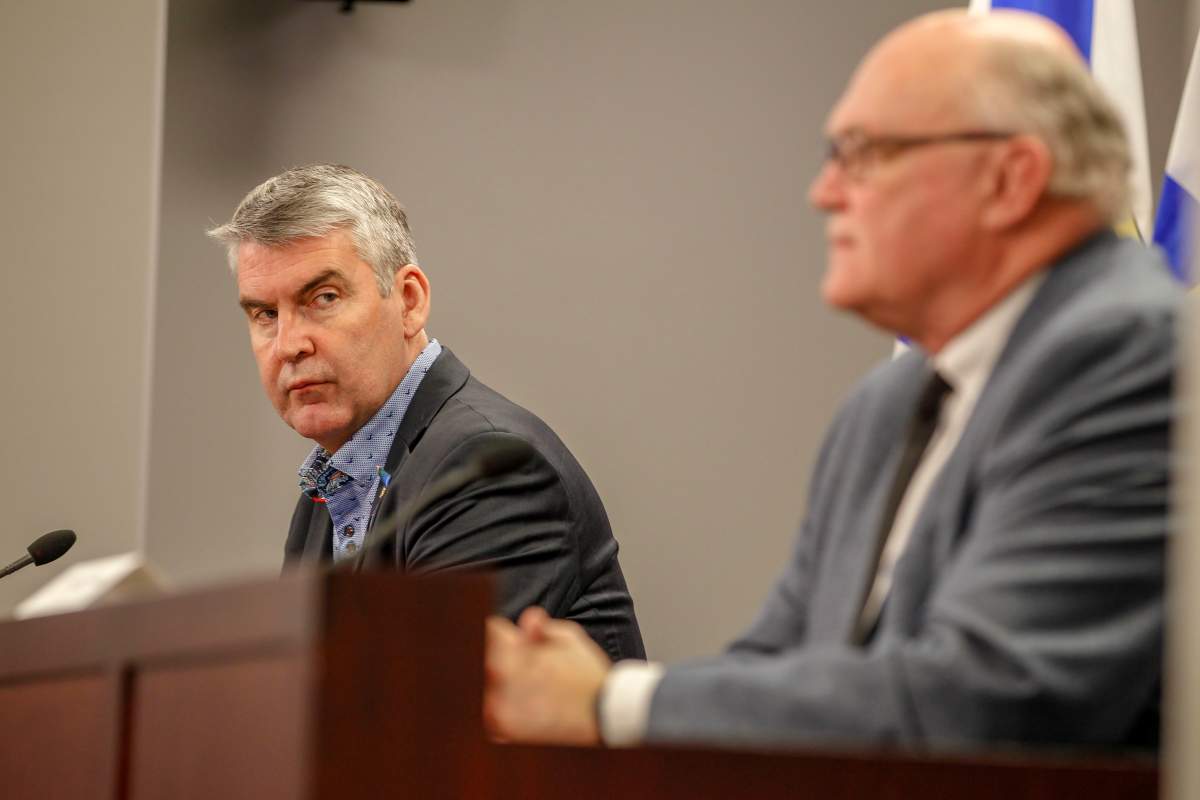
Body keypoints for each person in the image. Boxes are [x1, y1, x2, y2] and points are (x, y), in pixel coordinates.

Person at [485, 9, 1176, 749]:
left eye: (863, 153)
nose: (824, 192)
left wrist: (612, 704)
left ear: (1010, 179)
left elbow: (995, 697)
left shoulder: (1135, 355)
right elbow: (776, 664)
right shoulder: (888, 404)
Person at [208, 164, 644, 661]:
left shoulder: (489, 468)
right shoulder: (330, 488)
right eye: (265, 314)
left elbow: (425, 696)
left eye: (323, 298)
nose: (288, 345)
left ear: (409, 302)